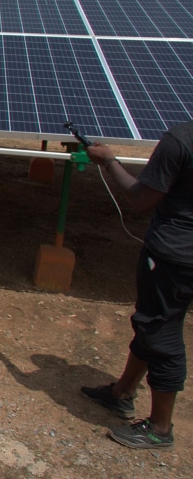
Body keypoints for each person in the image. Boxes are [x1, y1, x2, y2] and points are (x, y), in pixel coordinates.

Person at [80, 136, 193, 450]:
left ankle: (160, 428)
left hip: (173, 255)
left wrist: (109, 161)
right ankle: (122, 392)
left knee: (161, 332)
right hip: (183, 257)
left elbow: (140, 198)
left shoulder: (179, 141)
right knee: (150, 322)